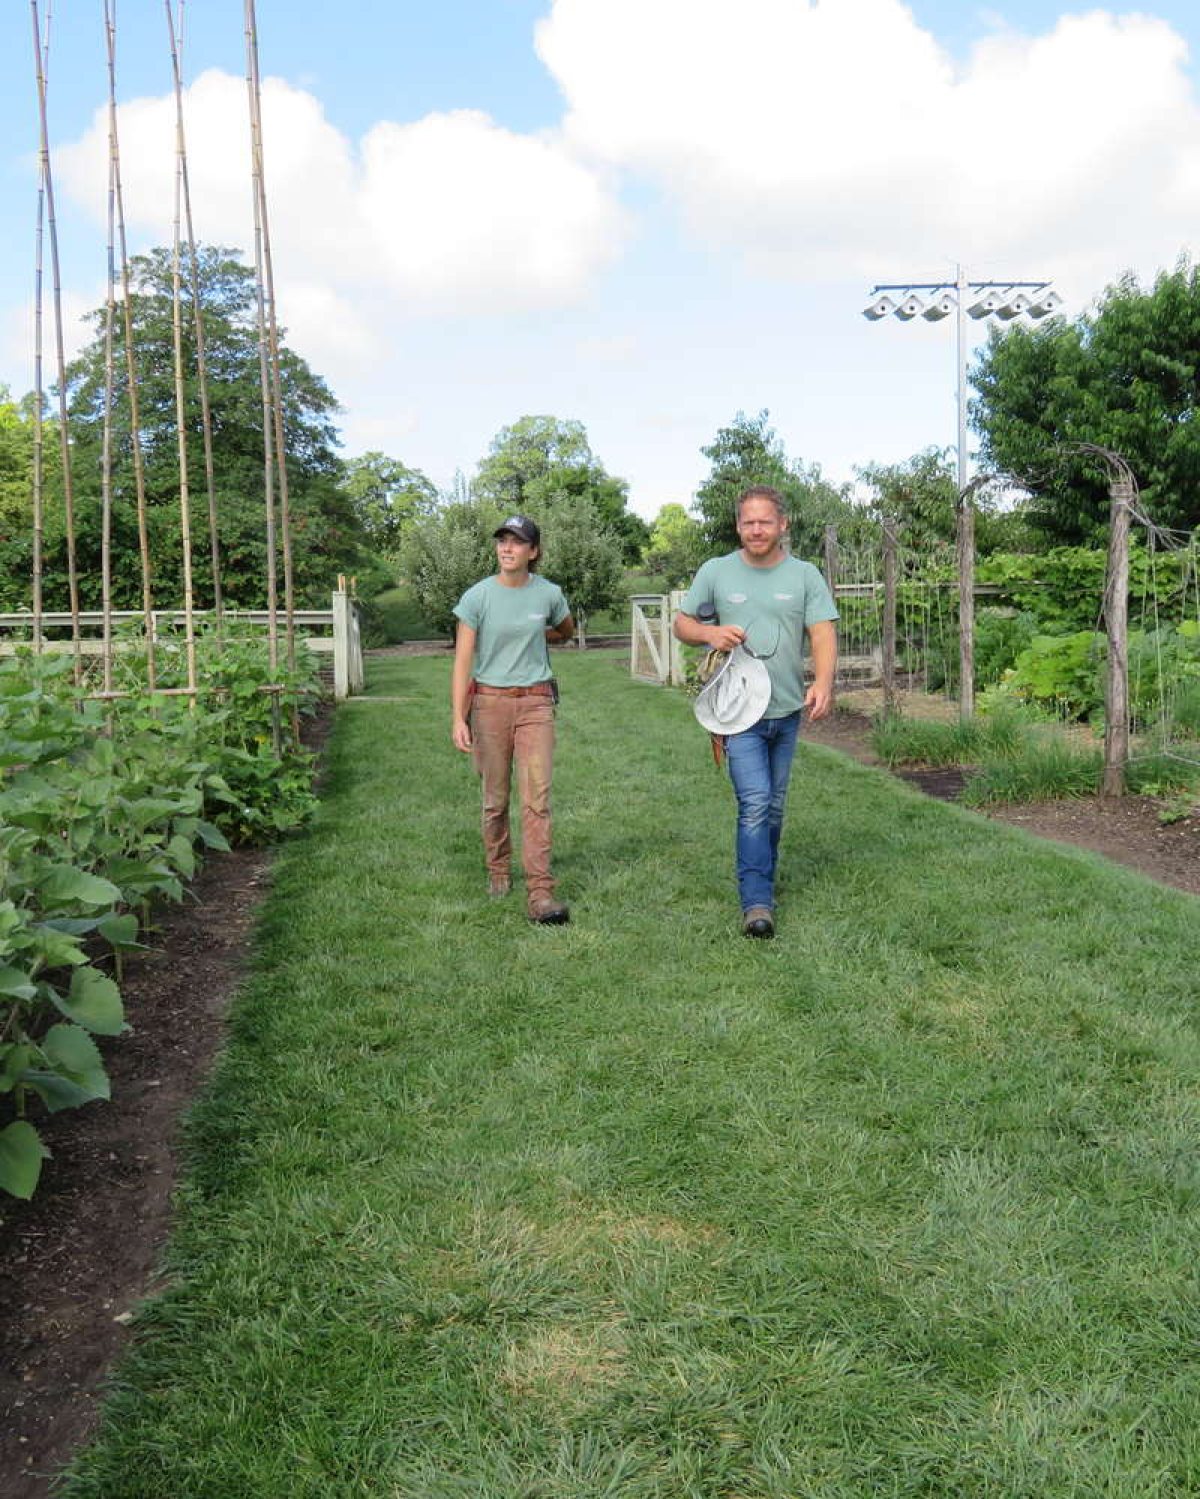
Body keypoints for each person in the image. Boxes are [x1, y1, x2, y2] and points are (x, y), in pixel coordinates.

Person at [674, 485, 838, 938]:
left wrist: (822, 682)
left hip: (786, 710)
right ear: (738, 526)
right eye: (748, 522)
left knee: (775, 807)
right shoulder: (717, 571)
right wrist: (709, 635)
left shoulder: (804, 575)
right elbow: (682, 623)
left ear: (783, 524)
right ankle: (757, 901)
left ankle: (761, 874)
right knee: (755, 803)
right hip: (737, 712)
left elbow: (822, 633)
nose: (756, 530)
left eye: (765, 521)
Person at [451, 515, 575, 924]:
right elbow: (463, 660)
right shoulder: (477, 597)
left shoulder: (549, 594)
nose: (507, 548)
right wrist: (458, 718)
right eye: (502, 541)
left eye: (517, 542)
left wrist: (540, 636)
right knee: (495, 799)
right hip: (489, 704)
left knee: (537, 799)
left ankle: (540, 892)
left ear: (533, 552)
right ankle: (499, 869)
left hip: (537, 704)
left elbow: (565, 630)